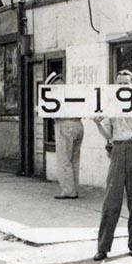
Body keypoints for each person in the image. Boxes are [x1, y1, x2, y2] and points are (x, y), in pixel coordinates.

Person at [92, 69, 132, 261]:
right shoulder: (111, 106)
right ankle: (103, 248)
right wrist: (98, 124)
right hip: (118, 150)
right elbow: (108, 135)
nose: (123, 87)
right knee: (111, 200)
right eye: (119, 84)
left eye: (126, 84)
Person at [46, 72, 84, 200]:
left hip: (64, 124)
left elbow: (52, 111)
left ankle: (68, 190)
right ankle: (74, 189)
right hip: (78, 124)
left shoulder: (56, 95)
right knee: (74, 159)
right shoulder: (72, 93)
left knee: (64, 159)